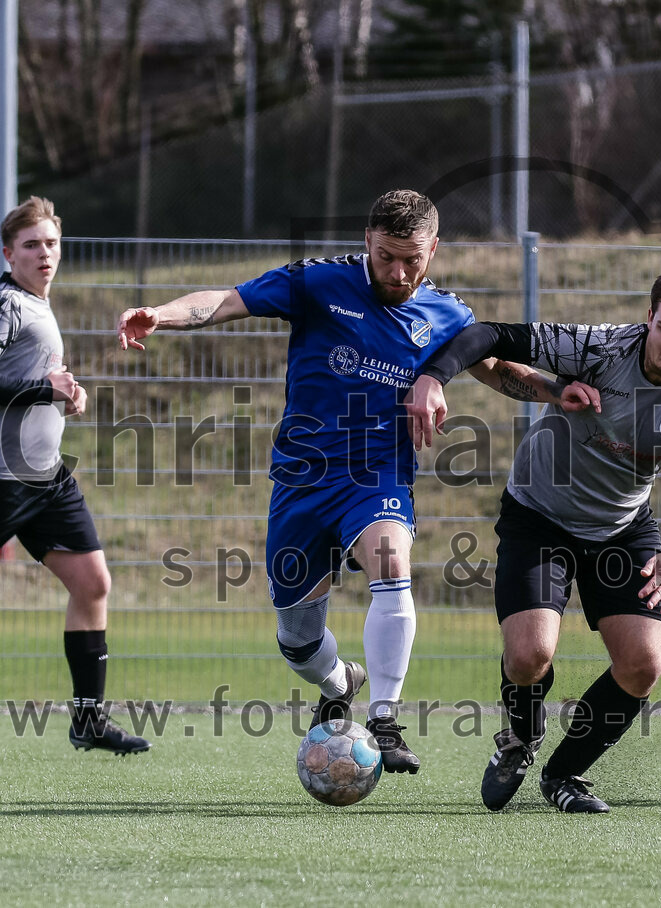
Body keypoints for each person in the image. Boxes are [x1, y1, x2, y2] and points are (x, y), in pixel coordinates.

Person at [116, 190, 571, 773]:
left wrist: (560, 391)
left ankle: (384, 719)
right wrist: (161, 314)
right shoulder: (317, 282)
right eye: (386, 257)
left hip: (376, 475)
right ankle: (340, 683)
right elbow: (224, 302)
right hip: (301, 482)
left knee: (391, 562)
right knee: (298, 641)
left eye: (413, 259)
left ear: (434, 249)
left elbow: (502, 370)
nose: (399, 272)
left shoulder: (444, 315)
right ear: (366, 241)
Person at [405, 268, 661, 813]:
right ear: (649, 318)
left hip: (622, 529)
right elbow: (488, 335)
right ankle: (520, 737)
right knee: (530, 656)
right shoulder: (601, 348)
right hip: (540, 514)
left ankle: (565, 775)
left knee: (643, 665)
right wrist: (435, 376)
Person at [0, 197, 151, 756]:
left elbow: (29, 383)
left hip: (45, 480)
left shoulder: (39, 304)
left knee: (93, 585)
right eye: (32, 244)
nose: (44, 254)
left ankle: (88, 720)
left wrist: (65, 394)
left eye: (51, 243)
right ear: (9, 252)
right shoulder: (8, 304)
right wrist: (47, 390)